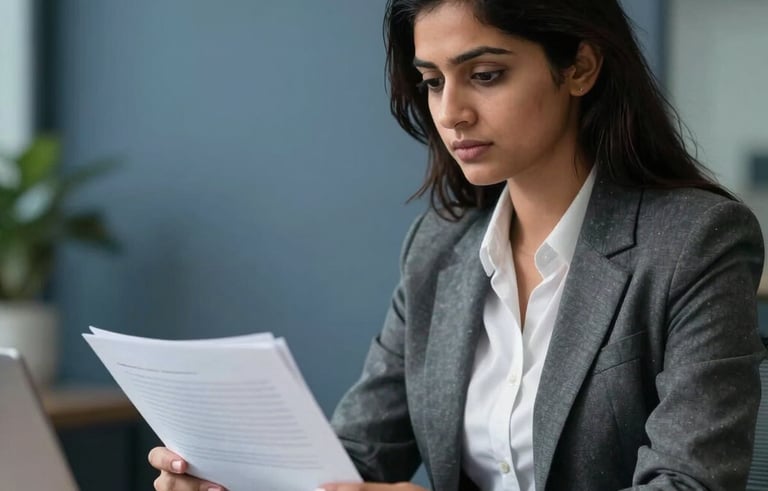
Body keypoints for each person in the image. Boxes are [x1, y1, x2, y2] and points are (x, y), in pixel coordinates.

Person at [148, 0, 766, 489]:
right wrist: (235, 479)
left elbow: (687, 485)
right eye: (433, 81)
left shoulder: (696, 241)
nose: (451, 113)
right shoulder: (438, 249)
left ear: (579, 66)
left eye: (486, 75)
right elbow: (357, 454)